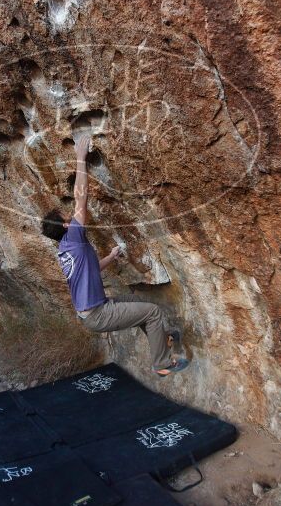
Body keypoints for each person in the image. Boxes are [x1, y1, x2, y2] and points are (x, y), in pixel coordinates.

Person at [41, 136, 189, 377]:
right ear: (67, 226)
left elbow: (92, 270)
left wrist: (111, 256)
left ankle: (163, 339)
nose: (71, 215)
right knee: (152, 313)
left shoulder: (65, 249)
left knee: (139, 308)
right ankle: (162, 364)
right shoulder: (75, 237)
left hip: (95, 310)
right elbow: (81, 197)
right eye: (67, 216)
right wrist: (80, 157)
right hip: (98, 315)